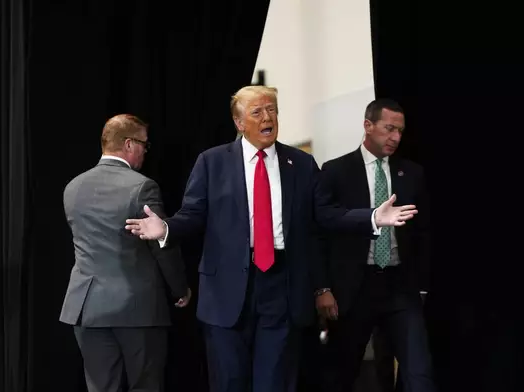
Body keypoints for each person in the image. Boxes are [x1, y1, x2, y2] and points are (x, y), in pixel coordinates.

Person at [124, 86, 418, 392]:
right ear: (239, 123)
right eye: (257, 112)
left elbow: (327, 215)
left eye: (272, 109)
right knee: (229, 382)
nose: (268, 117)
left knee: (275, 382)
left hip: (282, 287)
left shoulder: (301, 164)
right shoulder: (212, 162)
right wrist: (166, 229)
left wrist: (371, 217)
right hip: (227, 289)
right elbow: (192, 216)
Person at [59, 114, 191, 392]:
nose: (145, 151)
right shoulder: (142, 187)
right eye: (144, 144)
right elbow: (160, 243)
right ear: (129, 144)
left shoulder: (73, 187)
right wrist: (180, 288)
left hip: (87, 309)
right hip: (136, 310)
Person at [315, 98, 435, 392]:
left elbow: (424, 232)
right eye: (389, 129)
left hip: (400, 285)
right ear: (368, 126)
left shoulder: (412, 173)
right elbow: (322, 226)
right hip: (355, 286)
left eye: (400, 131)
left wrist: (421, 285)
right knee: (343, 371)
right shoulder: (336, 171)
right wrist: (323, 288)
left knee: (419, 372)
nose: (395, 137)